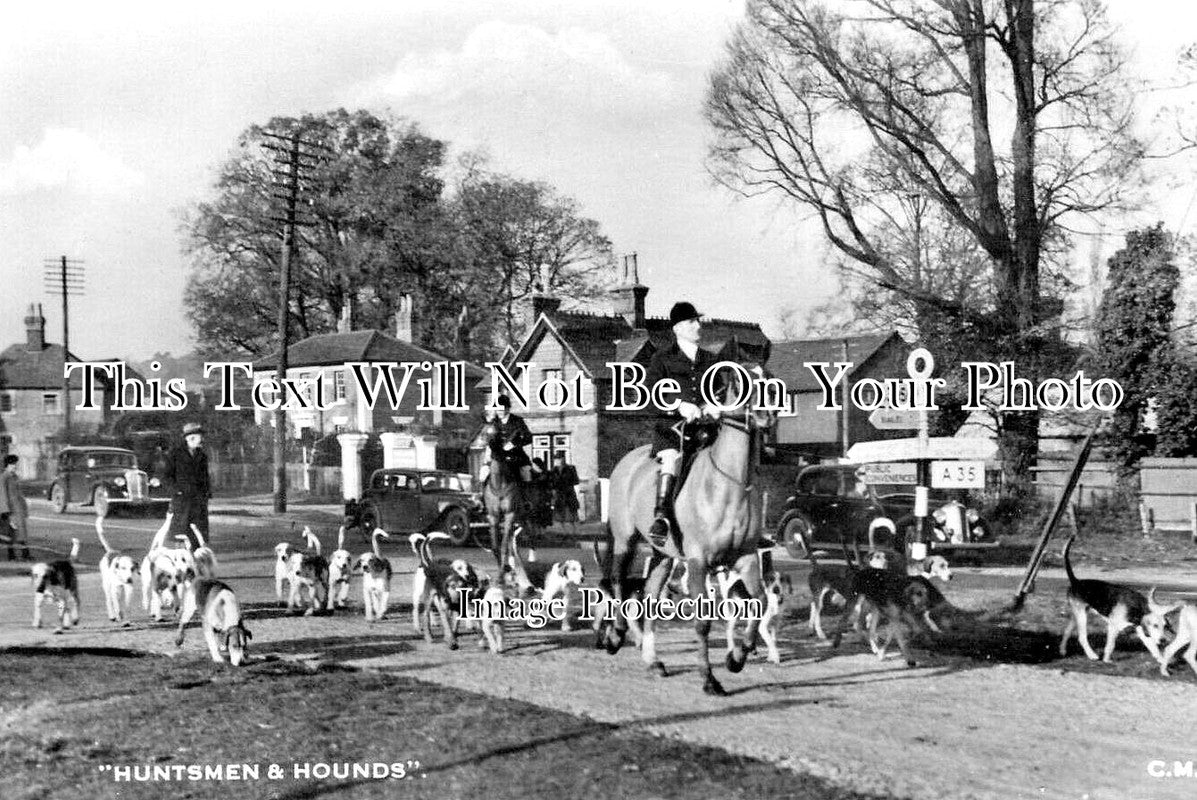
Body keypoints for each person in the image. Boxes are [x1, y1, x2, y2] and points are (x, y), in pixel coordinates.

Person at [643, 301, 723, 550]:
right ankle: (661, 517)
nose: (698, 326)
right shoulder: (662, 359)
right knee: (672, 459)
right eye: (692, 322)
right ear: (677, 328)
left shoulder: (710, 359)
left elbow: (719, 390)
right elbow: (651, 393)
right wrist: (679, 405)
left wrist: (714, 405)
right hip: (672, 430)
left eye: (698, 321)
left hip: (706, 429)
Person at [162, 421, 211, 549]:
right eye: (200, 437)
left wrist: (206, 493)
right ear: (190, 438)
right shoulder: (175, 454)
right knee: (181, 530)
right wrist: (176, 491)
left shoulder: (202, 456)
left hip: (198, 499)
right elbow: (166, 476)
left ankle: (197, 553)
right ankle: (182, 554)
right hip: (182, 499)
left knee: (198, 530)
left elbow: (205, 477)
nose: (202, 440)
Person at [485, 394, 533, 483]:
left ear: (507, 409)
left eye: (501, 409)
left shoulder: (517, 421)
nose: (498, 412)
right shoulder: (494, 422)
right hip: (497, 457)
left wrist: (514, 444)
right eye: (497, 409)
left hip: (516, 457)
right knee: (483, 475)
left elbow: (529, 438)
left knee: (526, 474)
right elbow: (489, 440)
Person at [0, 454, 31, 560]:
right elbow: (3, 495)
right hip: (11, 510)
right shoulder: (4, 477)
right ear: (8, 465)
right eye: (13, 464)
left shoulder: (14, 476)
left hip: (18, 508)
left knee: (20, 532)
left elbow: (19, 493)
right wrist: (5, 511)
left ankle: (24, 554)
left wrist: (24, 507)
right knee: (11, 533)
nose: (15, 466)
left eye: (15, 464)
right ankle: (13, 555)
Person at [550, 452, 580, 535]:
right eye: (556, 459)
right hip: (559, 496)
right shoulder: (554, 470)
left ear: (563, 459)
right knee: (560, 517)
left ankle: (574, 533)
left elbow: (576, 481)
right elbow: (552, 483)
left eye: (559, 459)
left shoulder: (571, 468)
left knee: (571, 516)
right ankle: (565, 533)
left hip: (569, 494)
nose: (557, 461)